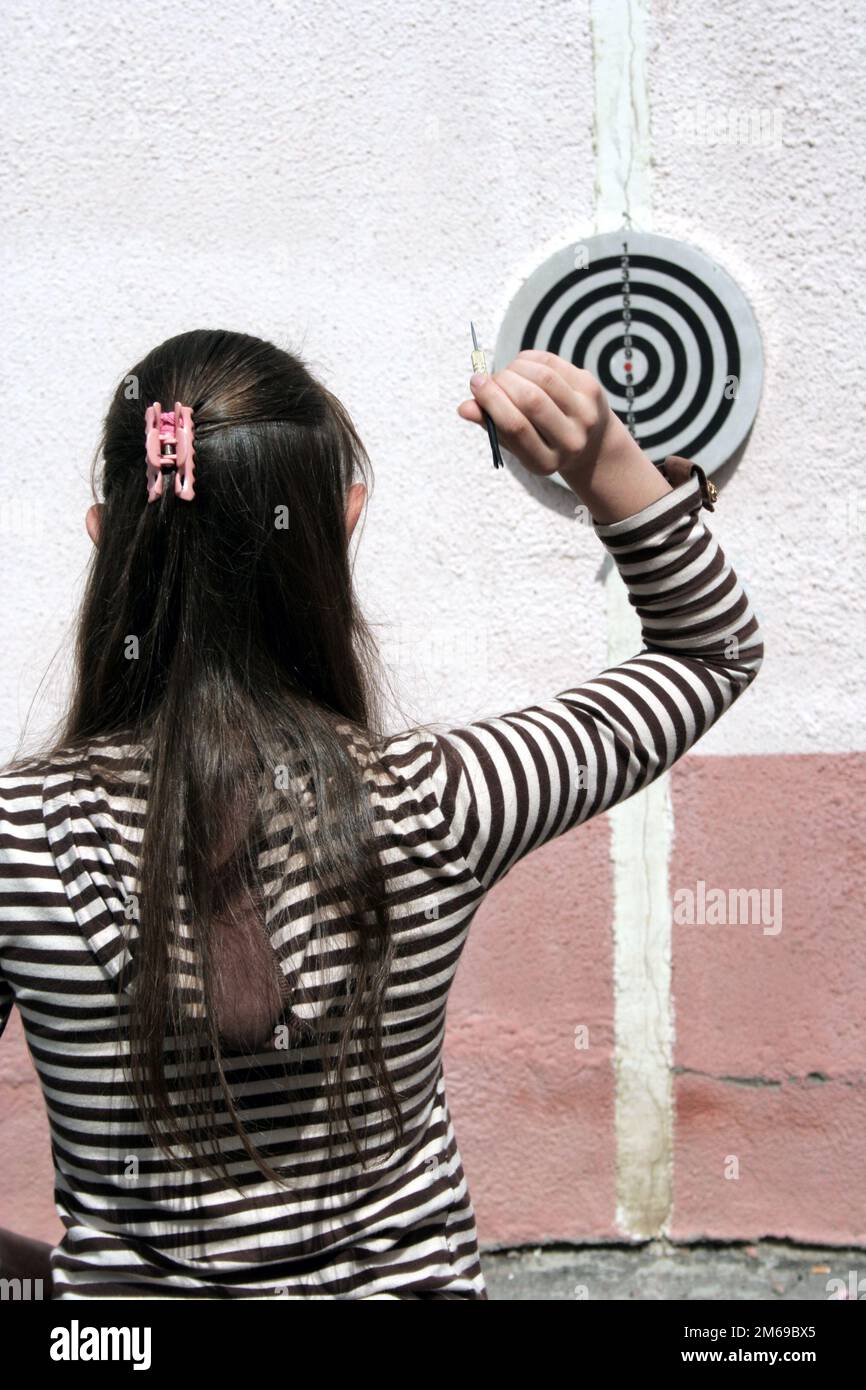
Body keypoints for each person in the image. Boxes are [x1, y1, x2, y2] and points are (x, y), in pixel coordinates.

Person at [0, 330, 763, 1299]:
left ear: (105, 535)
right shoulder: (445, 798)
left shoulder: (17, 838)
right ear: (341, 525)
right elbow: (710, 651)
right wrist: (606, 462)